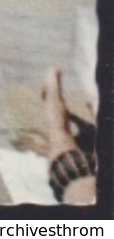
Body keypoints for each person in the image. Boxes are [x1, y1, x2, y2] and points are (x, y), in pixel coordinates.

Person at [42, 67, 97, 205]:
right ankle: (52, 89)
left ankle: (52, 88)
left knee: (58, 132)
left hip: (77, 178)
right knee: (58, 134)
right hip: (76, 180)